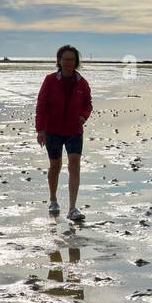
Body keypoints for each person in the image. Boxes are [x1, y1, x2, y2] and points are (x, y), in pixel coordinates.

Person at [35, 44, 92, 219]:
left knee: (74, 164)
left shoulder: (82, 82)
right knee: (55, 165)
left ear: (76, 62)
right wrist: (40, 130)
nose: (69, 63)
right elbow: (41, 105)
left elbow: (88, 104)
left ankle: (72, 208)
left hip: (74, 130)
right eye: (65, 59)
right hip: (53, 130)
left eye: (72, 60)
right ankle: (53, 199)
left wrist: (83, 117)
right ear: (59, 61)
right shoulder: (50, 80)